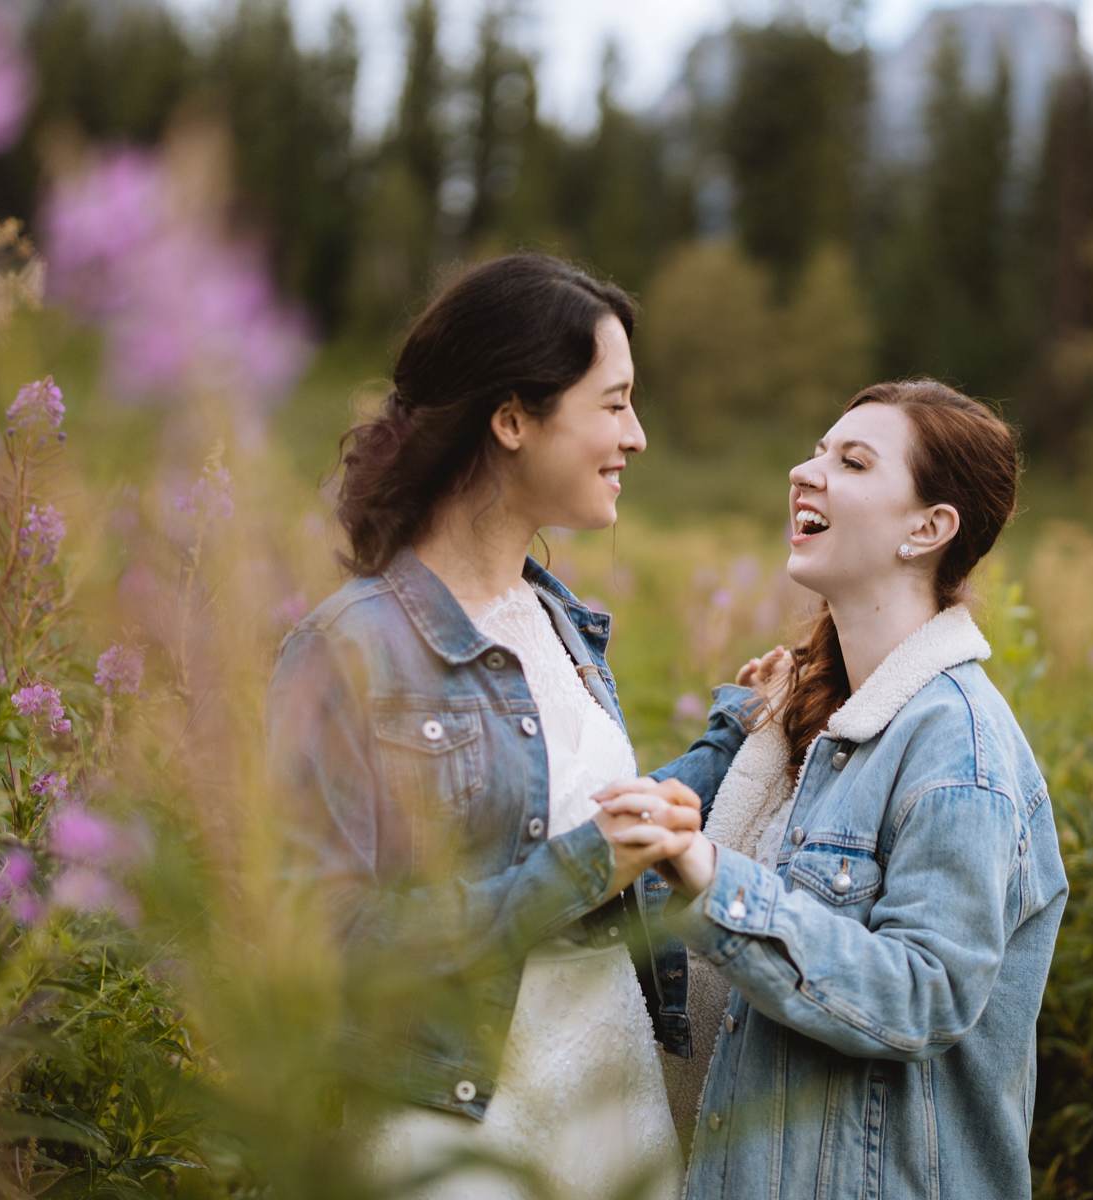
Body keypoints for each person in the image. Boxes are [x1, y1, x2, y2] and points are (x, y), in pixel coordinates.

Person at [265, 253, 756, 1199]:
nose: (638, 436)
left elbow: (577, 825)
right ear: (512, 418)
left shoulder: (561, 624)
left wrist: (736, 730)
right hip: (455, 1132)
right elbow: (321, 940)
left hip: (610, 1113)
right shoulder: (349, 649)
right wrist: (575, 869)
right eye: (613, 404)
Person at [598, 379, 1068, 1199]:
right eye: (817, 452)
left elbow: (922, 995)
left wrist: (716, 880)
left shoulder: (960, 750)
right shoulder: (804, 720)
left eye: (851, 461)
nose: (805, 472)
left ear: (929, 528)